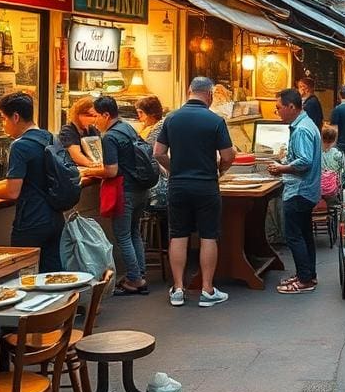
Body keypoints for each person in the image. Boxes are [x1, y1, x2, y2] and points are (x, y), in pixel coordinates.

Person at [152, 77, 236, 308]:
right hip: (206, 185)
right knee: (209, 235)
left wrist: (174, 169)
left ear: (189, 91)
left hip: (178, 185)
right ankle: (207, 290)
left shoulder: (171, 119)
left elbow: (158, 153)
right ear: (209, 94)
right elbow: (229, 155)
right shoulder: (215, 120)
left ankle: (178, 289)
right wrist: (219, 170)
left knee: (178, 235)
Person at [0, 92, 66, 272]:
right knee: (52, 275)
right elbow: (32, 180)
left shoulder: (20, 145)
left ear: (15, 117)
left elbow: (12, 191)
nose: (3, 124)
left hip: (31, 219)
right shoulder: (50, 137)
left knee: (24, 275)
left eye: (3, 119)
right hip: (55, 217)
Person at [85, 96, 148, 296]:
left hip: (124, 190)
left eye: (96, 116)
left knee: (122, 236)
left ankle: (134, 279)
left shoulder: (110, 137)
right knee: (134, 233)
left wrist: (90, 172)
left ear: (106, 114)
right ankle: (139, 273)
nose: (95, 121)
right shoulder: (128, 128)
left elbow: (111, 171)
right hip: (140, 189)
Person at [267, 88, 322, 294]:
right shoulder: (307, 125)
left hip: (299, 190)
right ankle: (307, 274)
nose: (277, 112)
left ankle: (305, 279)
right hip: (307, 189)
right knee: (305, 234)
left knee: (294, 236)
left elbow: (305, 161)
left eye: (279, 108)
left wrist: (281, 168)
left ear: (291, 106)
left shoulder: (301, 129)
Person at [57, 96, 99, 168]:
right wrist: (93, 166)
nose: (93, 119)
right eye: (89, 115)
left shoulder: (92, 129)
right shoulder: (68, 131)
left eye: (95, 116)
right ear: (78, 115)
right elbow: (76, 156)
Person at [321, 125, 345, 192]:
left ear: (321, 137)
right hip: (335, 188)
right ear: (334, 139)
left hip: (320, 188)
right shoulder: (339, 153)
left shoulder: (317, 152)